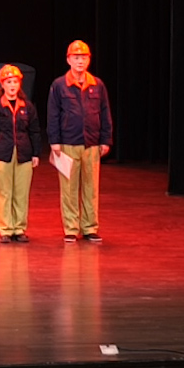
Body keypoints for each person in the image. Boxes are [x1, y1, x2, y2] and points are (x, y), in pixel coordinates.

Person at [47, 39, 113, 244]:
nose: (80, 61)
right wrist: (54, 141)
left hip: (91, 144)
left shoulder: (97, 85)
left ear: (89, 60)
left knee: (91, 188)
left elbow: (105, 112)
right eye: (76, 57)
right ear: (68, 59)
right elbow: (53, 115)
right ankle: (71, 228)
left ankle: (90, 227)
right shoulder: (59, 85)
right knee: (68, 188)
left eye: (83, 57)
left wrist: (106, 139)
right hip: (67, 144)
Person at [0, 64, 43, 243]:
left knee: (21, 193)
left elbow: (34, 131)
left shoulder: (27, 107)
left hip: (24, 153)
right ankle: (6, 229)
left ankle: (19, 228)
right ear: (2, 84)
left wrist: (36, 153)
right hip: (2, 153)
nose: (12, 85)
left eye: (15, 81)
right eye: (9, 82)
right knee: (4, 193)